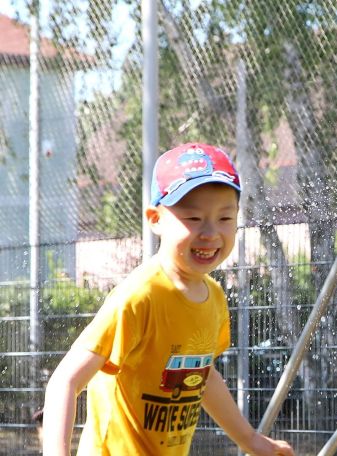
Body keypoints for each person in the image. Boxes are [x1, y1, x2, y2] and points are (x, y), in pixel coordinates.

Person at [42, 143, 294, 456]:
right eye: (194, 218)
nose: (210, 232)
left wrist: (250, 440)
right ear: (155, 218)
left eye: (225, 218)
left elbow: (202, 377)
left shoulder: (214, 297)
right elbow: (64, 382)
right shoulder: (139, 297)